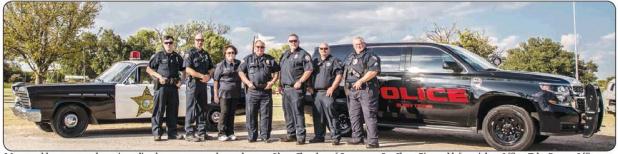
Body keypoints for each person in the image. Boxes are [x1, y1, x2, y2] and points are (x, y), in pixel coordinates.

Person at [238, 40, 280, 143]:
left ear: (264, 48)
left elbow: (277, 71)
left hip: (266, 91)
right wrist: (247, 83)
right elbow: (240, 72)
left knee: (266, 115)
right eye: (258, 47)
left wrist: (272, 82)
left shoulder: (270, 59)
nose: (260, 49)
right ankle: (252, 136)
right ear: (254, 47)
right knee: (251, 115)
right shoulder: (248, 59)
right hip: (252, 91)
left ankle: (265, 136)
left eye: (262, 47)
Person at [343, 37, 381, 148]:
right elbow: (345, 71)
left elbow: (374, 71)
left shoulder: (370, 55)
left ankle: (373, 141)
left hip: (366, 89)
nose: (358, 45)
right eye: (356, 44)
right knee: (354, 115)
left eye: (360, 43)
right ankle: (357, 138)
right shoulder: (351, 56)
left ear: (364, 44)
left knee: (369, 115)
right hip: (352, 90)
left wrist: (361, 80)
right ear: (353, 45)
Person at [146, 35, 185, 141]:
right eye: (166, 43)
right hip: (161, 87)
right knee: (159, 110)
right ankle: (157, 133)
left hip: (173, 87)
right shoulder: (158, 55)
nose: (168, 44)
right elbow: (149, 69)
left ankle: (172, 133)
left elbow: (184, 70)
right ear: (163, 44)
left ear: (173, 44)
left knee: (172, 111)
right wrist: (159, 77)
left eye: (170, 42)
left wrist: (181, 81)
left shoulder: (177, 57)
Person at [278, 33, 313, 145]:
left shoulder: (303, 54)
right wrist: (279, 84)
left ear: (298, 42)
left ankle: (301, 136)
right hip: (285, 89)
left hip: (296, 89)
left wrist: (300, 81)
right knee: (288, 113)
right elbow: (281, 71)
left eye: (295, 41)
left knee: (298, 112)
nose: (293, 43)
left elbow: (309, 70)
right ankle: (291, 135)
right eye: (291, 41)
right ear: (288, 42)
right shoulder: (285, 54)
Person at [182, 33, 215, 142]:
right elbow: (187, 69)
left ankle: (202, 132)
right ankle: (189, 133)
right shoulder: (190, 53)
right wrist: (202, 76)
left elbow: (211, 68)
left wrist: (209, 76)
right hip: (193, 83)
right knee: (191, 108)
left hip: (203, 84)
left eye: (201, 40)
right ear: (194, 40)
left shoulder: (206, 54)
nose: (200, 42)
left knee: (202, 108)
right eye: (197, 40)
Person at [309, 42, 343, 145]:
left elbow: (339, 75)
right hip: (316, 93)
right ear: (319, 50)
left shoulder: (334, 60)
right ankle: (319, 136)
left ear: (329, 50)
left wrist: (332, 87)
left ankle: (335, 137)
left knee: (331, 114)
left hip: (328, 92)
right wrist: (309, 86)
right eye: (321, 49)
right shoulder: (315, 61)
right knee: (318, 116)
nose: (323, 50)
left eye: (325, 48)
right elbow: (309, 73)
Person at [213, 45, 242, 141]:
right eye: (229, 53)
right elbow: (216, 81)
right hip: (224, 94)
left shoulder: (239, 64)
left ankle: (230, 132)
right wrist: (216, 95)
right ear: (225, 54)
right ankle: (221, 133)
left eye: (233, 53)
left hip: (235, 93)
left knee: (232, 113)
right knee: (224, 113)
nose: (231, 54)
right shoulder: (220, 65)